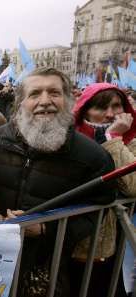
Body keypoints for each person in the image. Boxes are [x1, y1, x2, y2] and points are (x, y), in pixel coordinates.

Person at [0, 68, 116, 296]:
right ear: (21, 103)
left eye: (54, 93)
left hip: (49, 266)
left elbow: (97, 210)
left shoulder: (93, 157)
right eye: (35, 94)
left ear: (69, 100)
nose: (45, 101)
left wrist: (46, 228)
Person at [71, 82, 134, 297]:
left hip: (107, 248)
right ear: (85, 110)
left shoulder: (131, 141)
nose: (110, 114)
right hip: (68, 246)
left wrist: (113, 139)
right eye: (100, 107)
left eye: (116, 106)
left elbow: (133, 186)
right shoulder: (68, 138)